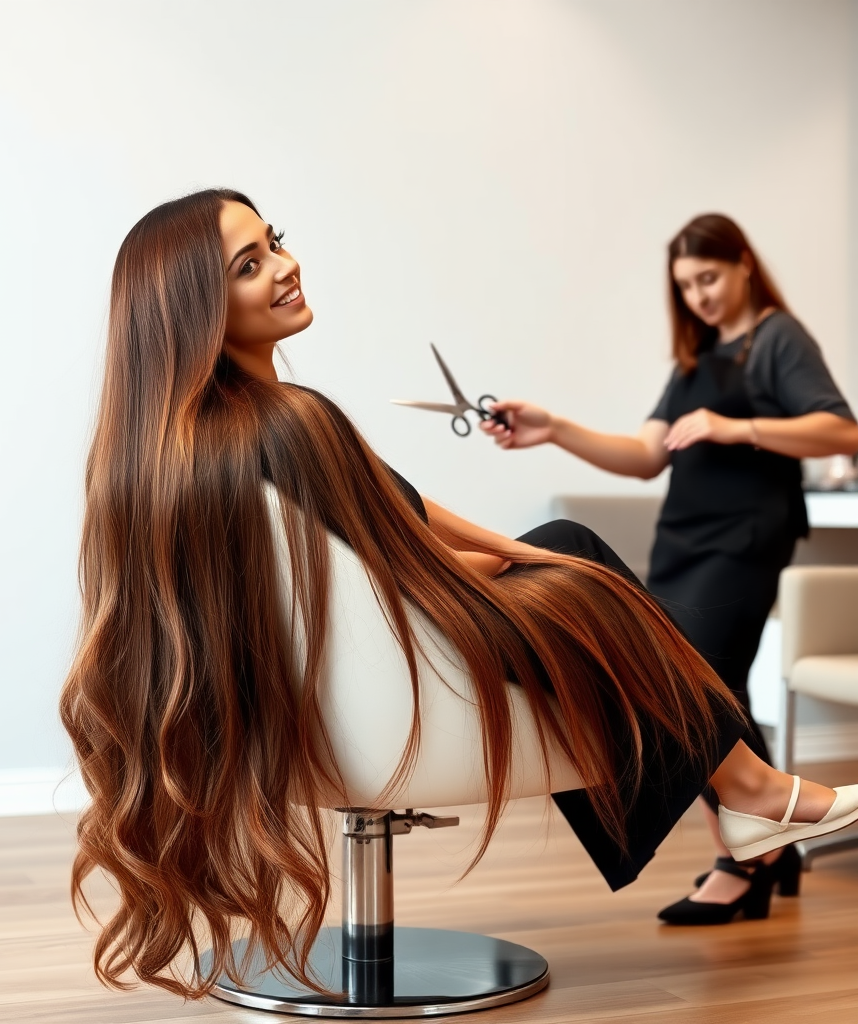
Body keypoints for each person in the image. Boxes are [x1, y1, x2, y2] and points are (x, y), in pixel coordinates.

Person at [61, 192, 858, 997]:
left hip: (303, 701)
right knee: (576, 561)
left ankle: (746, 796)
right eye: (250, 264)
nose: (286, 265)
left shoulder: (203, 440)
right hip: (386, 693)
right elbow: (401, 566)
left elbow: (394, 530)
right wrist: (550, 569)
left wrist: (528, 559)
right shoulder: (291, 423)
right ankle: (751, 791)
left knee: (567, 557)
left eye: (275, 242)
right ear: (195, 307)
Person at [482, 213, 858, 924]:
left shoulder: (777, 337)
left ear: (745, 264)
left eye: (709, 279)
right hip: (682, 540)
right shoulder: (693, 362)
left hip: (745, 538)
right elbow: (647, 455)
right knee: (712, 684)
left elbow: (841, 428)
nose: (699, 298)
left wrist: (738, 427)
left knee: (697, 680)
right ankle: (766, 849)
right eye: (686, 287)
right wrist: (554, 429)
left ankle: (744, 856)